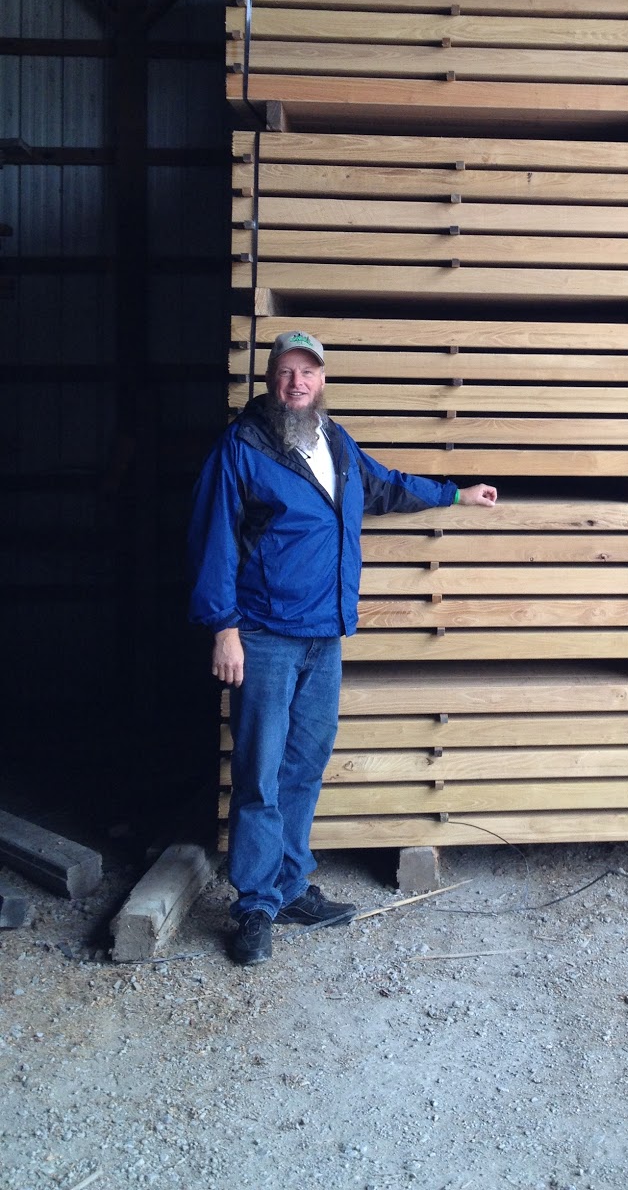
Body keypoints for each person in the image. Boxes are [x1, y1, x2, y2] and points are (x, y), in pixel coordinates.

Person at [189, 328, 497, 965]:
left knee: (304, 764)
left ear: (323, 380)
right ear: (269, 379)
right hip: (265, 635)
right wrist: (223, 628)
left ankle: (290, 884)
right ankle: (253, 905)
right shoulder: (242, 446)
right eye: (285, 371)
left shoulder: (336, 442)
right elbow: (212, 538)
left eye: (308, 371)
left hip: (324, 637)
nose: (296, 382)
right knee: (258, 773)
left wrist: (457, 492)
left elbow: (385, 488)